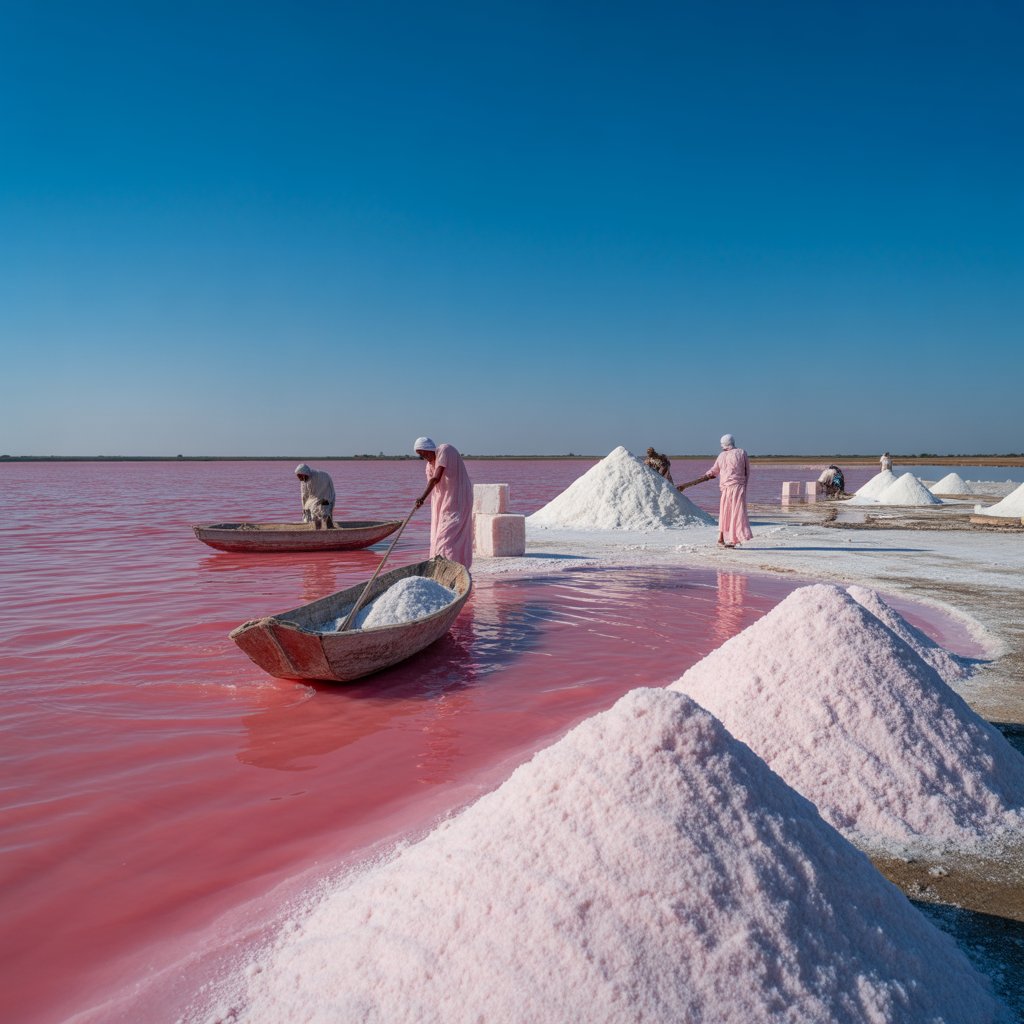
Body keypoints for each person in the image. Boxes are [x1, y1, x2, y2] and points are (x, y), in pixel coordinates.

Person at [677, 433, 753, 548]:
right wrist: (743, 485)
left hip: (725, 488)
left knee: (725, 512)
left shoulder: (721, 456)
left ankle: (721, 538)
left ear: (724, 444)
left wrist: (707, 475)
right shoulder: (741, 452)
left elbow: (714, 470)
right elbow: (747, 471)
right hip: (737, 487)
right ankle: (732, 539)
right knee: (736, 513)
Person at [413, 437, 474, 568]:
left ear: (429, 449)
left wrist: (422, 498)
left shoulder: (444, 450)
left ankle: (449, 568)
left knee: (446, 538)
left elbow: (435, 479)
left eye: (424, 453)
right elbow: (435, 487)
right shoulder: (429, 466)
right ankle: (446, 567)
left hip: (459, 499)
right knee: (440, 536)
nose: (425, 458)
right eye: (421, 456)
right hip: (445, 503)